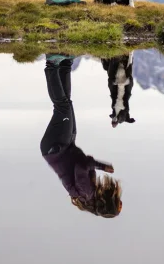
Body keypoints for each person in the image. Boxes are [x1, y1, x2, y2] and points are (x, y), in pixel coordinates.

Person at [40, 54, 123, 218]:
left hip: (57, 147)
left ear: (107, 200)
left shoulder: (87, 192)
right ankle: (65, 63)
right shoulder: (88, 194)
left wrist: (102, 166)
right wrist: (95, 165)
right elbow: (84, 164)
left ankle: (51, 64)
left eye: (116, 198)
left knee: (62, 107)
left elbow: (81, 166)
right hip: (65, 146)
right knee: (66, 103)